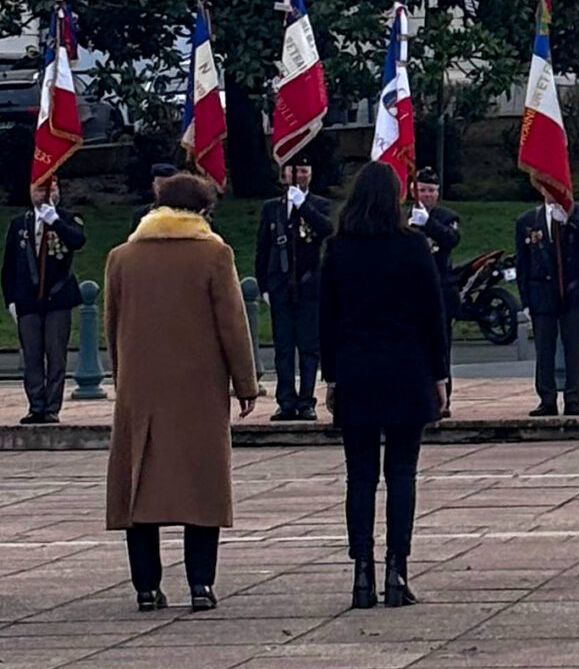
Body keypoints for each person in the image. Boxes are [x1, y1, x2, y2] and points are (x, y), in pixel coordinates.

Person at [104, 172, 260, 612]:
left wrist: (124, 378)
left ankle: (146, 587)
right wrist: (245, 383)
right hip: (200, 390)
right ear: (202, 212)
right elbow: (232, 325)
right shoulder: (214, 255)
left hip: (141, 390)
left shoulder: (121, 258)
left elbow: (112, 327)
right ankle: (200, 584)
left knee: (139, 489)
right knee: (201, 486)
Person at [319, 161, 449, 610]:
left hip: (357, 370)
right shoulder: (412, 247)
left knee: (360, 476)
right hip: (406, 369)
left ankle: (361, 573)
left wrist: (331, 376)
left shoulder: (338, 249)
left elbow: (328, 320)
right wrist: (439, 373)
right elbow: (434, 316)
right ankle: (397, 569)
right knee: (401, 473)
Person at [255, 157, 331, 420]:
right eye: (294, 170)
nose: (299, 175)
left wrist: (304, 207)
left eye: (304, 171)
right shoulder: (272, 208)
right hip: (280, 285)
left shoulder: (320, 204)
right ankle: (286, 400)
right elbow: (263, 249)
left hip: (309, 286)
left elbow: (327, 231)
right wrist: (264, 284)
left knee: (309, 346)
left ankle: (306, 401)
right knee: (283, 347)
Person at [5, 177, 85, 424]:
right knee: (32, 356)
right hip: (27, 299)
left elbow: (77, 241)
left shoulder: (68, 219)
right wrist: (10, 300)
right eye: (40, 189)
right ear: (30, 192)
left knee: (55, 354)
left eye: (51, 188)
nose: (45, 194)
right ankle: (35, 406)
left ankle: (52, 407)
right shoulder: (20, 223)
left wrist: (55, 221)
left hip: (57, 297)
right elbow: (9, 266)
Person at [514, 194, 579, 416]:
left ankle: (573, 398)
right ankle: (547, 398)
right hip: (542, 293)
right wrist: (525, 300)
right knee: (544, 349)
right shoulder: (528, 220)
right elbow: (522, 263)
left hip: (573, 292)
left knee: (573, 348)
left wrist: (569, 219)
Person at [408, 169, 461, 321]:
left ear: (437, 193)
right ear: (414, 192)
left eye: (431, 190)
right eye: (422, 190)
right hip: (413, 288)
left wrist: (428, 223)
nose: (427, 194)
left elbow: (451, 239)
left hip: (440, 285)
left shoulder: (447, 216)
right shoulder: (403, 217)